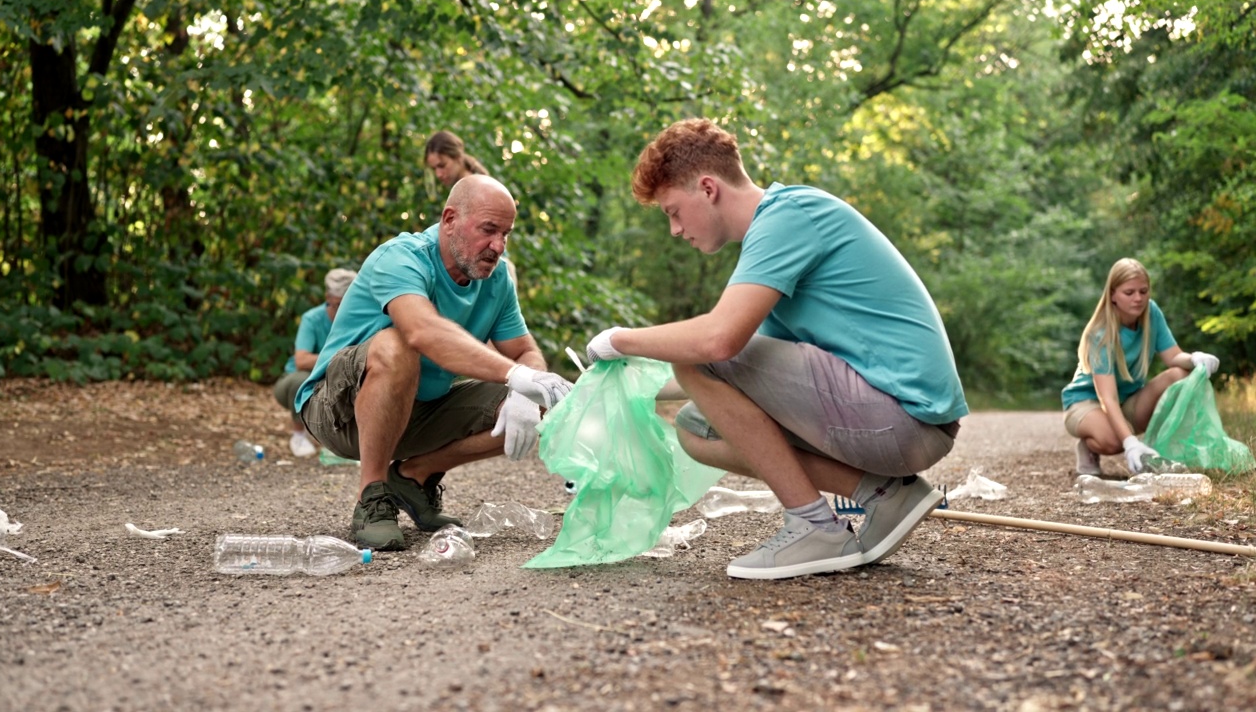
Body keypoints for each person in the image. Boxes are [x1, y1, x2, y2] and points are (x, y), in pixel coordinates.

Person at [585, 118, 968, 581]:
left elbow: (717, 344)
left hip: (906, 417)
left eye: (672, 211)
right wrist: (621, 389)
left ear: (707, 188)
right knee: (697, 428)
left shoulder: (790, 217)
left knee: (699, 355)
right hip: (894, 421)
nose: (674, 229)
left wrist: (619, 339)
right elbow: (741, 379)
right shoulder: (774, 237)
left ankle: (814, 526)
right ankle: (885, 496)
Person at [294, 175, 573, 550]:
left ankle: (412, 477)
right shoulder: (400, 257)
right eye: (489, 230)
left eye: (506, 234)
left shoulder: (498, 278)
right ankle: (371, 499)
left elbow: (525, 350)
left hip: (415, 411)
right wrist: (516, 374)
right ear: (449, 219)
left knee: (538, 398)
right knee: (397, 344)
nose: (498, 246)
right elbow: (422, 331)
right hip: (336, 412)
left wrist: (526, 390)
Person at [1061, 258, 1220, 477]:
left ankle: (1164, 447)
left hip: (1127, 400)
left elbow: (1174, 357)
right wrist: (1130, 442)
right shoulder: (1100, 333)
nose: (1138, 298)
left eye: (1143, 291)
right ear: (1113, 295)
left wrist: (1194, 359)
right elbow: (1108, 399)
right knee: (1114, 440)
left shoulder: (1151, 313)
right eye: (1129, 293)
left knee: (1180, 375)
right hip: (1085, 403)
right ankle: (1089, 446)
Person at [272, 268, 357, 458]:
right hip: (298, 380)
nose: (342, 311)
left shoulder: (358, 318)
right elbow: (301, 360)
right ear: (328, 297)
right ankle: (299, 436)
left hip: (340, 380)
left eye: (348, 305)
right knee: (301, 381)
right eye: (337, 305)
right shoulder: (312, 319)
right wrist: (343, 357)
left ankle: (347, 440)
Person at [425, 130, 518, 286]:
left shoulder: (474, 191)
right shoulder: (466, 188)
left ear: (458, 157)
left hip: (494, 273)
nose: (439, 174)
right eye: (434, 169)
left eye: (442, 165)